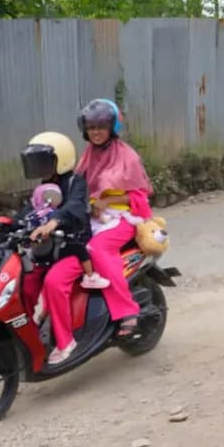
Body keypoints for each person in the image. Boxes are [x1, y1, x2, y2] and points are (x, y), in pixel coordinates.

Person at [75, 99, 154, 336]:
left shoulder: (127, 157)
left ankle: (126, 311)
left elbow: (140, 198)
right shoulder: (89, 154)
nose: (96, 132)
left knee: (97, 250)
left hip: (124, 218)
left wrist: (106, 202)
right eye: (91, 127)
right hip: (95, 217)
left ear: (112, 127)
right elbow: (77, 185)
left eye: (101, 126)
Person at [17, 131, 90, 365]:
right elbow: (28, 212)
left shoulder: (75, 183)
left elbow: (75, 207)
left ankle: (66, 341)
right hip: (45, 252)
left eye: (44, 162)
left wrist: (54, 222)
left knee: (54, 283)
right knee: (24, 285)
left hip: (72, 249)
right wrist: (5, 225)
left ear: (61, 159)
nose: (39, 168)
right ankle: (26, 337)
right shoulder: (43, 188)